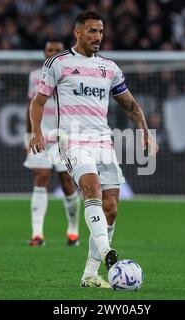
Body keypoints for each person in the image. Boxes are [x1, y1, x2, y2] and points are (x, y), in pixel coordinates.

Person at [28, 11, 158, 288]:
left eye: (100, 32)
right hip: (72, 139)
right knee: (91, 188)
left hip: (103, 141)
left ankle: (90, 274)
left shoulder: (109, 68)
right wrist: (37, 131)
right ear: (77, 32)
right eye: (92, 31)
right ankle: (108, 252)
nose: (98, 37)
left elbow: (131, 105)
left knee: (110, 208)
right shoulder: (58, 63)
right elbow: (38, 102)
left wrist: (146, 132)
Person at [24, 39, 80, 247]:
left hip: (65, 136)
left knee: (67, 182)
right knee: (41, 176)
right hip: (41, 134)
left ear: (63, 52)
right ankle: (37, 233)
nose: (53, 53)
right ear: (44, 52)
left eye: (57, 50)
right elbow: (31, 105)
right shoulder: (35, 76)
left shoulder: (73, 74)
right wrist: (28, 134)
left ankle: (73, 229)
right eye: (49, 50)